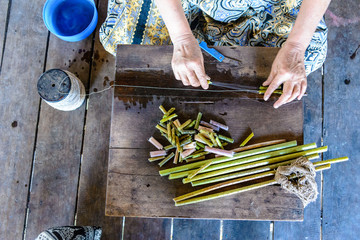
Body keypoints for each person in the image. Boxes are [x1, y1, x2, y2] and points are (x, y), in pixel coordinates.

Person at [100, 0, 330, 108]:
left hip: (270, 5)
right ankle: (195, 34)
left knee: (311, 52)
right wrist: (180, 37)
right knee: (125, 41)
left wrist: (296, 48)